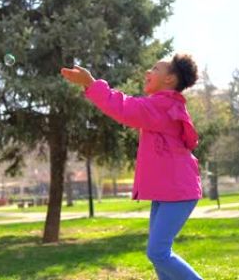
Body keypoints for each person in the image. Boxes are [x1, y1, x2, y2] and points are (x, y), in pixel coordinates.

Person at [61, 54, 203, 280]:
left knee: (158, 253)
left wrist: (91, 84)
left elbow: (124, 108)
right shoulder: (164, 104)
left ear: (170, 79)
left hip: (178, 191)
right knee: (159, 256)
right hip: (170, 191)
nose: (148, 72)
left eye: (155, 69)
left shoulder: (162, 105)